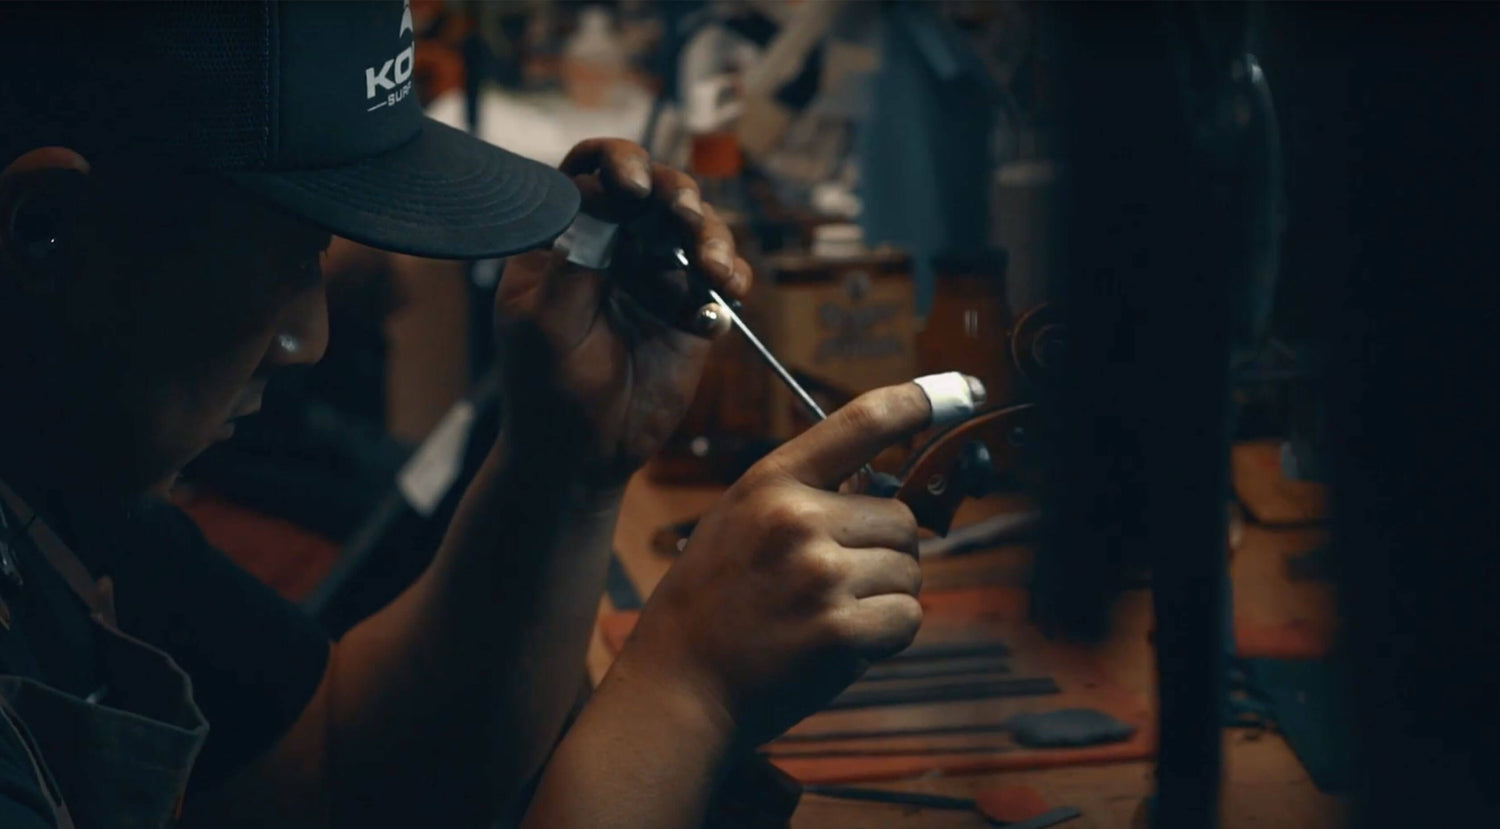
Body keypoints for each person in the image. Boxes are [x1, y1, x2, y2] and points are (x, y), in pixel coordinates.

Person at [0, 3, 943, 827]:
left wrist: (566, 465)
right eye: (287, 255)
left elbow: (338, 774)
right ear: (45, 227)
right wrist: (687, 695)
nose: (309, 337)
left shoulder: (63, 495)